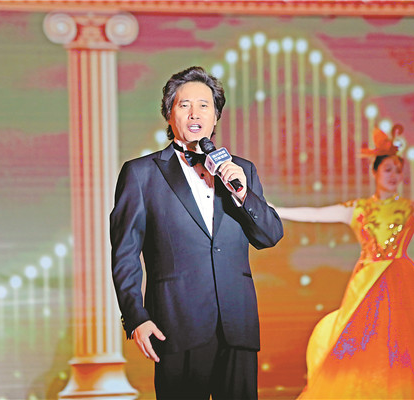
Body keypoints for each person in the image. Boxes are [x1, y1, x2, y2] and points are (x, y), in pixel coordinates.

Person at [274, 125, 414, 399]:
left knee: (401, 342)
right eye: (388, 170)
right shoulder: (359, 208)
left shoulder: (411, 209)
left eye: (398, 171)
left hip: (400, 280)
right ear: (374, 172)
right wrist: (275, 210)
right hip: (366, 283)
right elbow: (316, 214)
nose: (394, 176)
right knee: (363, 341)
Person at [110, 66, 284, 399]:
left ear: (216, 116)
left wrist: (242, 193)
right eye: (184, 104)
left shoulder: (241, 170)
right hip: (176, 324)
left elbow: (269, 235)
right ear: (169, 113)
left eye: (204, 105)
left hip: (238, 325)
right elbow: (125, 255)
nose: (195, 113)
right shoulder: (141, 174)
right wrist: (136, 317)